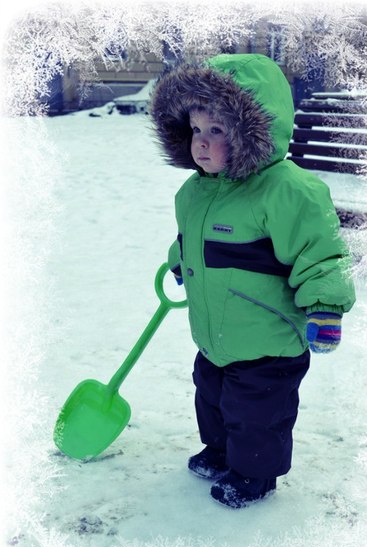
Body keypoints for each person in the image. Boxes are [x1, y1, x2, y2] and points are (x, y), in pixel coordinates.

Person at [150, 54, 355, 509]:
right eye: (196, 129)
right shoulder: (194, 192)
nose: (202, 143)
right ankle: (221, 450)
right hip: (215, 336)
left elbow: (321, 254)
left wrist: (325, 307)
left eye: (217, 130)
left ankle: (255, 475)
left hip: (268, 342)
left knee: (258, 413)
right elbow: (190, 240)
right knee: (212, 397)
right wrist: (179, 263)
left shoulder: (287, 190)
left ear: (250, 132)